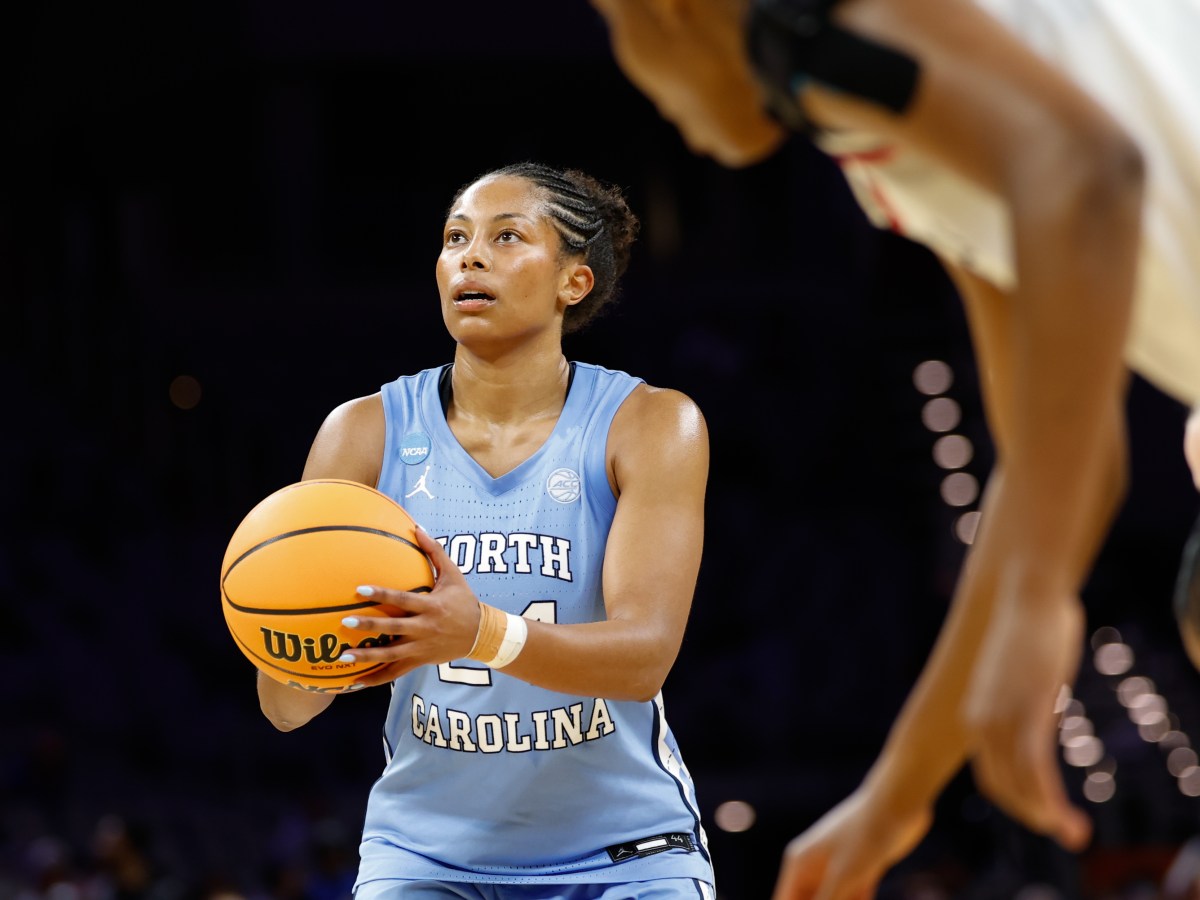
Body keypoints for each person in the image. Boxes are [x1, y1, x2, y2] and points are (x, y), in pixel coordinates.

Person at [585, 0, 1200, 896]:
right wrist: (895, 796)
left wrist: (1037, 604)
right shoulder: (884, 140)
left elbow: (1088, 169)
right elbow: (1057, 465)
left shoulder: (850, 27)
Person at [254, 161, 716, 899]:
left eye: (507, 237)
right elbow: (284, 708)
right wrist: (296, 640)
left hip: (625, 852)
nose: (470, 256)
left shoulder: (652, 424)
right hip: (425, 856)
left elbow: (644, 658)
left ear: (575, 281)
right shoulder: (362, 433)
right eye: (455, 237)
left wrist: (477, 634)